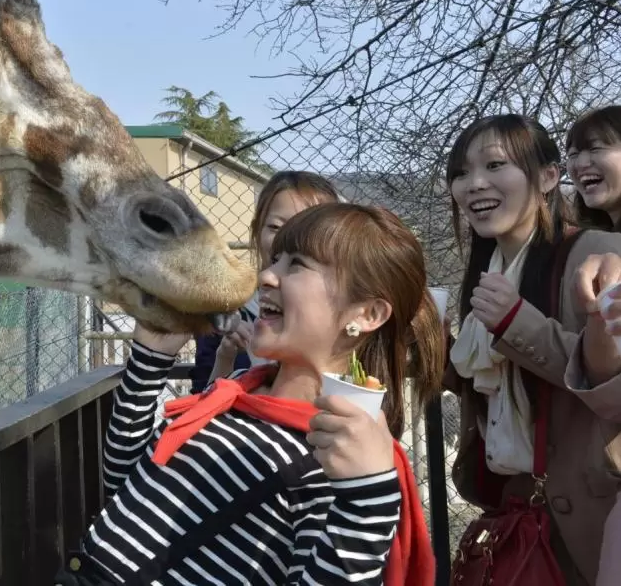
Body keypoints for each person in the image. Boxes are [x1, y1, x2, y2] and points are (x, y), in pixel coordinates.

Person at [56, 202, 441, 585]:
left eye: (297, 265)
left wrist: (365, 502)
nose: (266, 276)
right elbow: (124, 487)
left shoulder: (336, 454)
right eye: (275, 260)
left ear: (367, 314)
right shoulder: (238, 393)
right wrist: (149, 358)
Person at [444, 113, 621, 584]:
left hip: (592, 510)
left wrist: (516, 323)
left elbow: (613, 385)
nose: (474, 184)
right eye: (461, 172)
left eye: (495, 165)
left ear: (547, 176)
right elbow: (494, 390)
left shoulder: (599, 253)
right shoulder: (488, 269)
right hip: (515, 505)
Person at [188, 171, 340, 393]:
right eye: (276, 227)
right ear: (257, 231)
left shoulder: (347, 311)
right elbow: (201, 396)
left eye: (308, 229)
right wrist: (226, 355)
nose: (290, 240)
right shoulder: (223, 309)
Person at [563, 105, 621, 586]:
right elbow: (604, 378)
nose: (581, 162)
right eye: (573, 152)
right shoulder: (594, 247)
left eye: (597, 147)